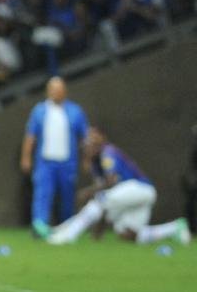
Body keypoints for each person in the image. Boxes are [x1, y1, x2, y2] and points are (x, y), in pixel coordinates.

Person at [46, 127, 191, 246]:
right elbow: (105, 196)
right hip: (135, 196)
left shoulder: (108, 153)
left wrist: (88, 192)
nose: (90, 143)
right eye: (88, 141)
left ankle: (67, 236)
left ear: (101, 140)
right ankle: (175, 228)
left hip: (140, 188)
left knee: (98, 201)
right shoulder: (96, 162)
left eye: (93, 139)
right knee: (127, 234)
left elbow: (111, 182)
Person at [20, 77, 89, 237]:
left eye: (58, 89)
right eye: (52, 89)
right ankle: (39, 226)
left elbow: (84, 138)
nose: (55, 93)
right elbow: (30, 136)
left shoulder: (75, 111)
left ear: (64, 91)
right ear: (47, 91)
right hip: (45, 162)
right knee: (42, 194)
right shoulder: (40, 110)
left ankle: (68, 228)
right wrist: (26, 157)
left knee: (67, 197)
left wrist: (86, 159)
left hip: (67, 162)